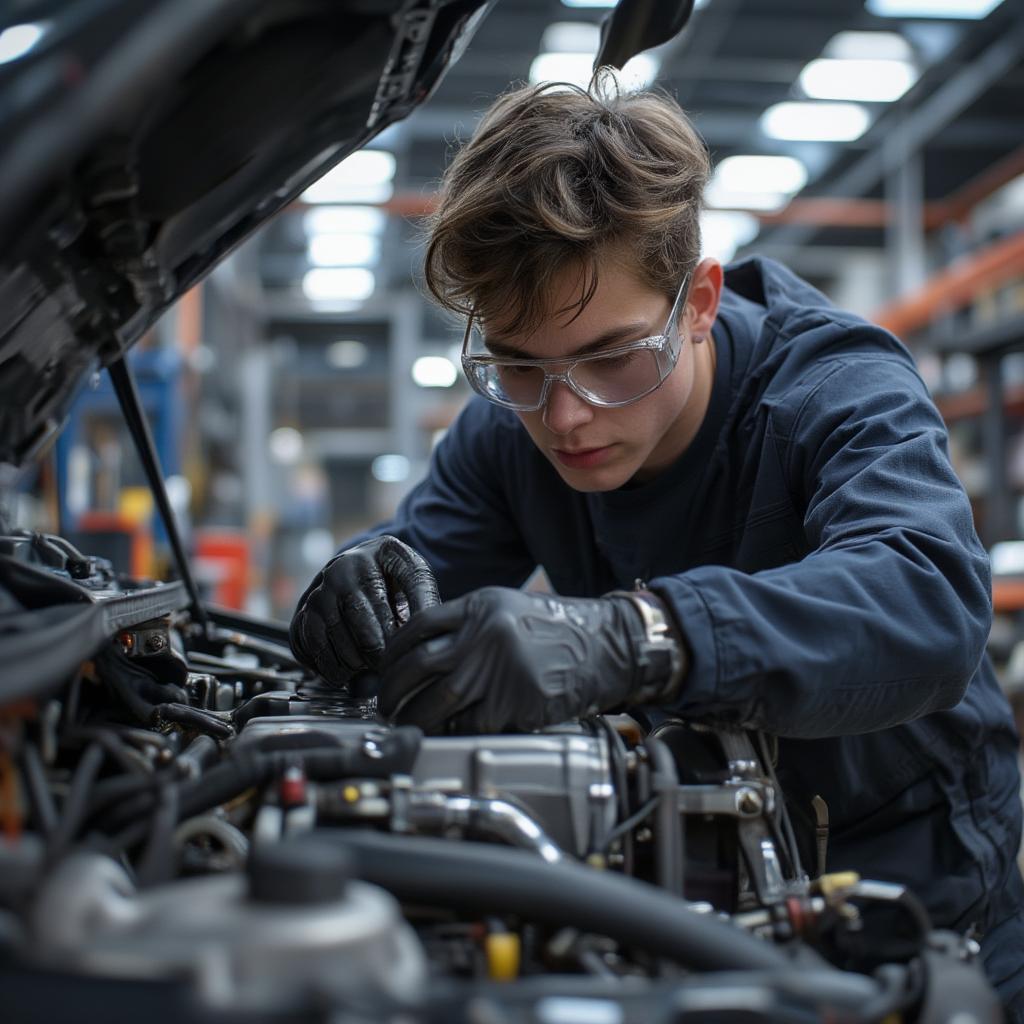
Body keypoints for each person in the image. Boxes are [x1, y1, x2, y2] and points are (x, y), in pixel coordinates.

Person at [289, 80, 1024, 1010]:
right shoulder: (507, 437)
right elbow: (413, 571)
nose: (565, 415)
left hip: (915, 892)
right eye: (520, 363)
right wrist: (355, 594)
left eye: (613, 356)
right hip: (690, 881)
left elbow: (928, 600)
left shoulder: (837, 388)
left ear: (700, 302)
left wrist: (640, 637)